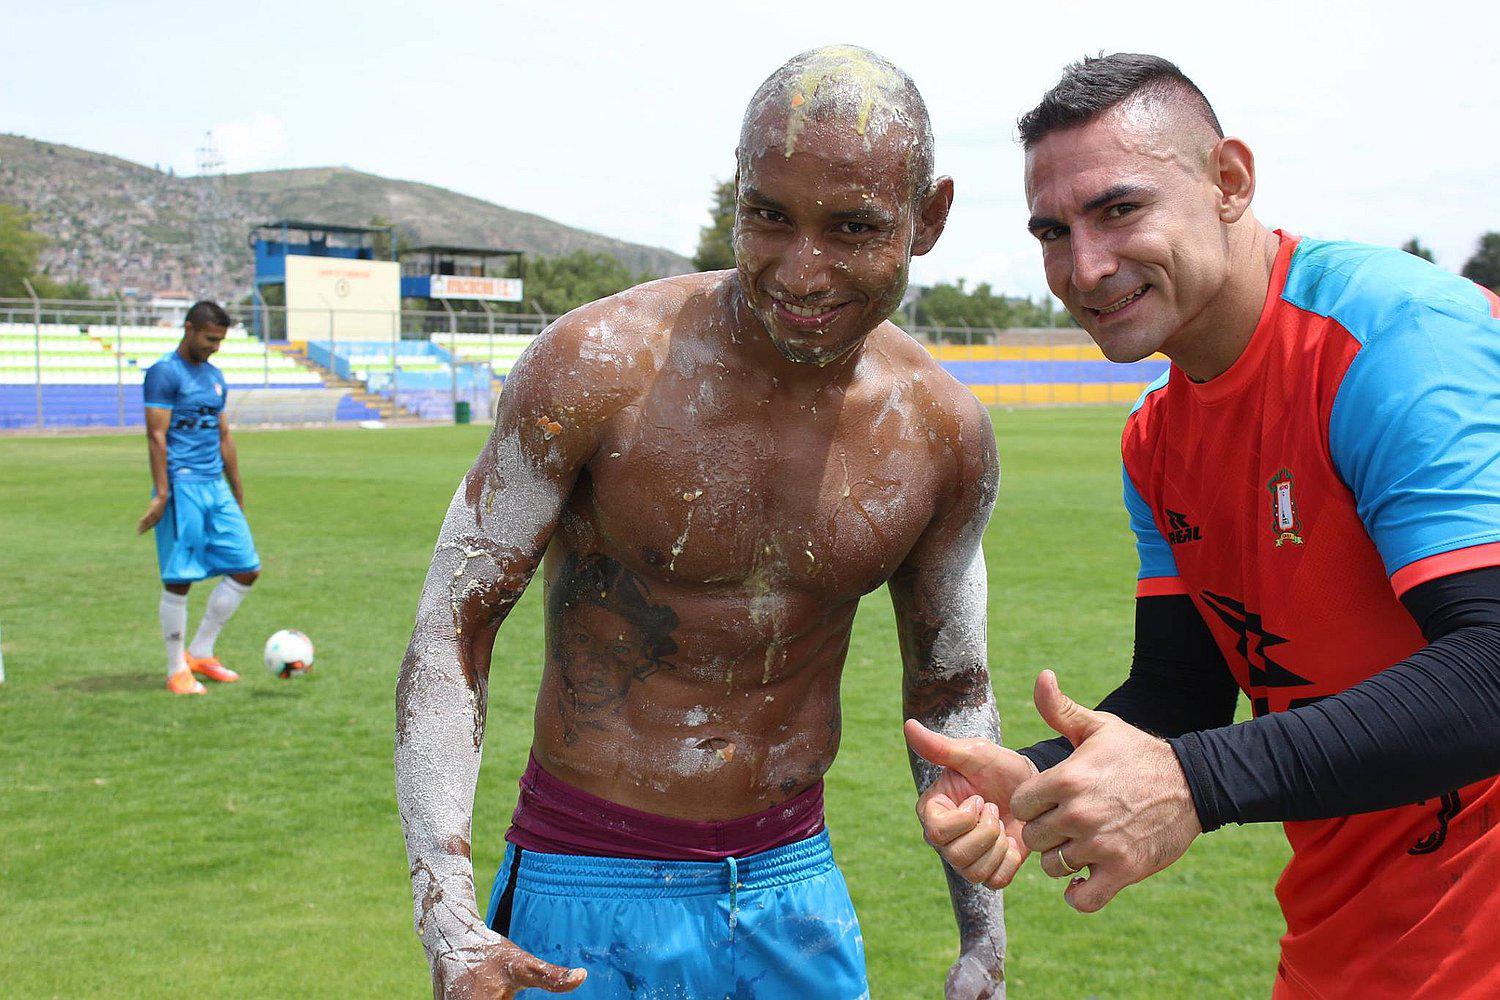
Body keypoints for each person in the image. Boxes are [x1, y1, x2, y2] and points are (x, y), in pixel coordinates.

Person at [396, 45, 1007, 1000]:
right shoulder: (595, 367)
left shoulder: (942, 433)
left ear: (928, 218)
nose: (802, 272)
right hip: (585, 882)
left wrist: (984, 944)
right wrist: (447, 917)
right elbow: (454, 621)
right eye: (769, 216)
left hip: (795, 892)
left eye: (852, 228)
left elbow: (952, 689)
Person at [907, 52, 1500, 998]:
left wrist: (1195, 783)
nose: (1085, 267)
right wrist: (1037, 780)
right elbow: (1182, 693)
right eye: (1053, 231)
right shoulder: (1156, 440)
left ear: (1230, 181)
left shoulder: (1398, 343)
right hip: (1356, 940)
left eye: (1119, 209)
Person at [136, 301, 260, 695]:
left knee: (246, 566)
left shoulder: (214, 377)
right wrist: (162, 494)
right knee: (180, 578)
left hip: (214, 486)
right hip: (182, 485)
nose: (215, 347)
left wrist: (236, 491)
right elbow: (156, 435)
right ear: (189, 329)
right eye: (210, 338)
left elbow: (224, 435)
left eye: (220, 340)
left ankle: (201, 652)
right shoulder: (164, 373)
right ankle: (176, 669)